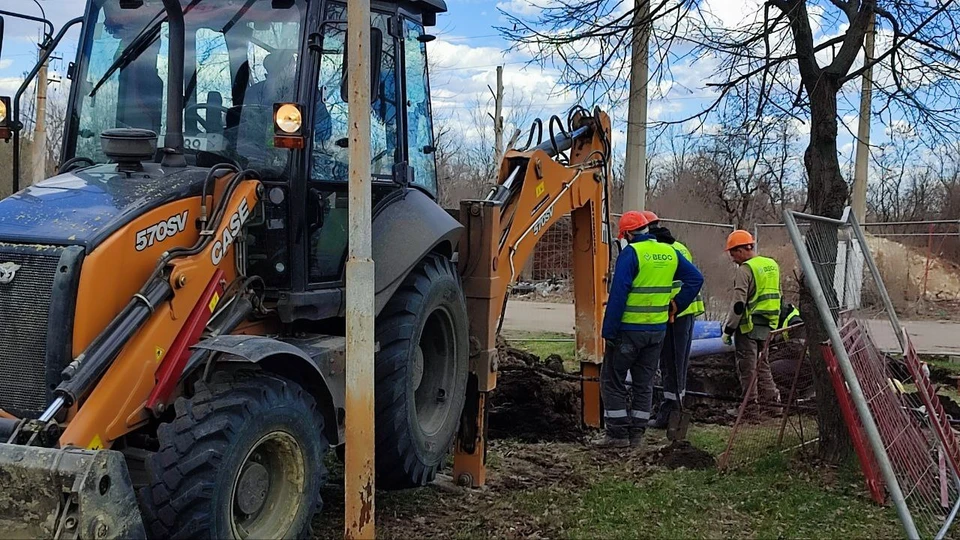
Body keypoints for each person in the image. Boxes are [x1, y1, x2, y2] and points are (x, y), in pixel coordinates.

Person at [597, 211, 704, 448]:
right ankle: (637, 435)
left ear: (626, 234)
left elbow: (618, 294)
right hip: (656, 331)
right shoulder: (670, 251)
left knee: (612, 380)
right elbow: (696, 278)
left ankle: (617, 435)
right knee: (643, 383)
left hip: (628, 330)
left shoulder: (631, 253)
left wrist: (609, 332)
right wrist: (676, 304)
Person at [642, 211, 706, 429]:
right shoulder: (679, 247)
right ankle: (673, 410)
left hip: (674, 313)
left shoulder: (661, 250)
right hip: (683, 313)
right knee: (675, 364)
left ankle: (671, 413)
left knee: (671, 364)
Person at [721, 230, 782, 413]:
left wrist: (729, 329)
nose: (732, 258)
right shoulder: (771, 264)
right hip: (769, 324)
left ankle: (750, 408)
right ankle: (774, 405)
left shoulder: (746, 269)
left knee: (747, 367)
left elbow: (739, 304)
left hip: (748, 325)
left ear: (741, 250)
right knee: (763, 365)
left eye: (733, 253)